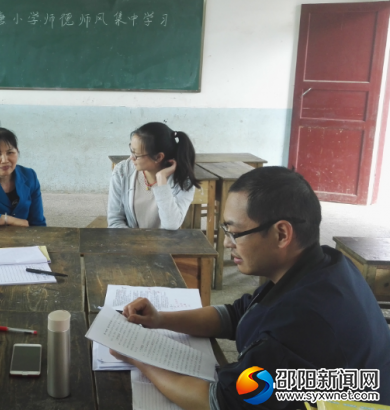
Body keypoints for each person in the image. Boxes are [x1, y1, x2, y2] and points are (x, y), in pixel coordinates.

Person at [111, 166, 390, 409]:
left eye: (235, 232)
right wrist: (160, 319)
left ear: (282, 233)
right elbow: (236, 314)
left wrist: (140, 360)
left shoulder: (302, 323)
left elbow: (218, 401)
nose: (226, 243)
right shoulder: (323, 263)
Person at [107, 122, 200, 230]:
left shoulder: (183, 181)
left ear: (158, 157)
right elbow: (115, 221)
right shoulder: (122, 172)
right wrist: (135, 244)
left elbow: (171, 225)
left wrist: (161, 179)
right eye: (131, 150)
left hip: (164, 244)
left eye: (136, 154)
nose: (131, 157)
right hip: (129, 242)